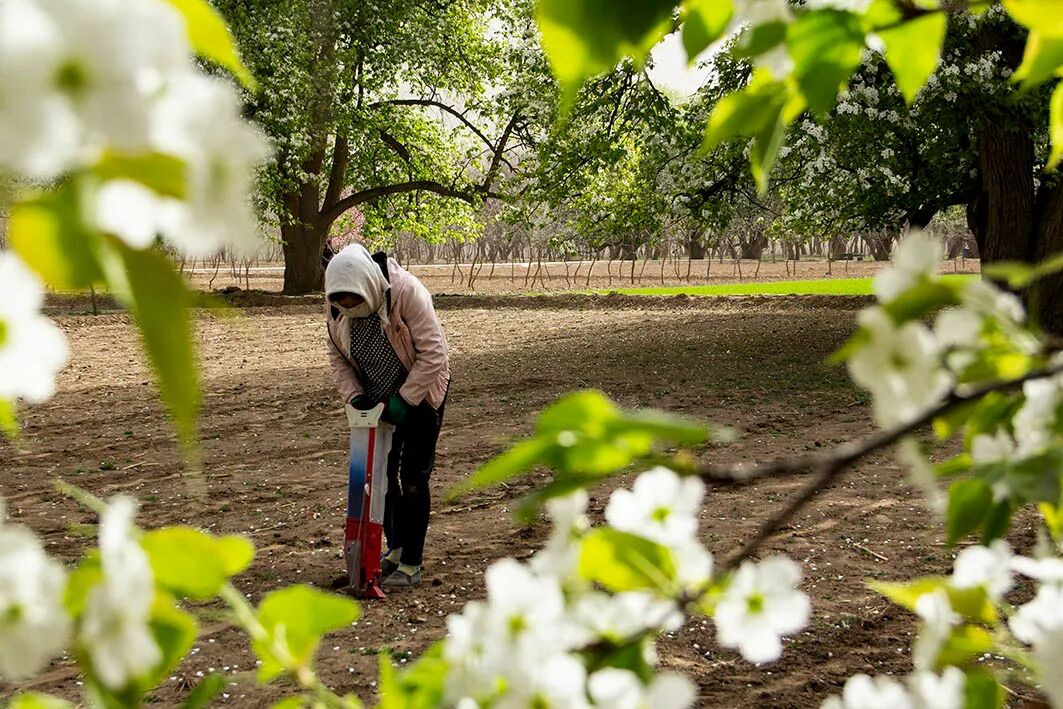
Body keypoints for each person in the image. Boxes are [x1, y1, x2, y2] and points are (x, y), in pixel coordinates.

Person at [325, 244, 450, 588]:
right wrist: (356, 397)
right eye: (343, 304)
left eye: (355, 302)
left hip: (422, 393)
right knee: (382, 476)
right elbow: (337, 358)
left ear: (367, 286)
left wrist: (406, 400)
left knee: (412, 477)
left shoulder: (407, 291)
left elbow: (434, 353)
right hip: (378, 399)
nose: (349, 309)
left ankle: (412, 563)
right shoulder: (336, 305)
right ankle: (393, 548)